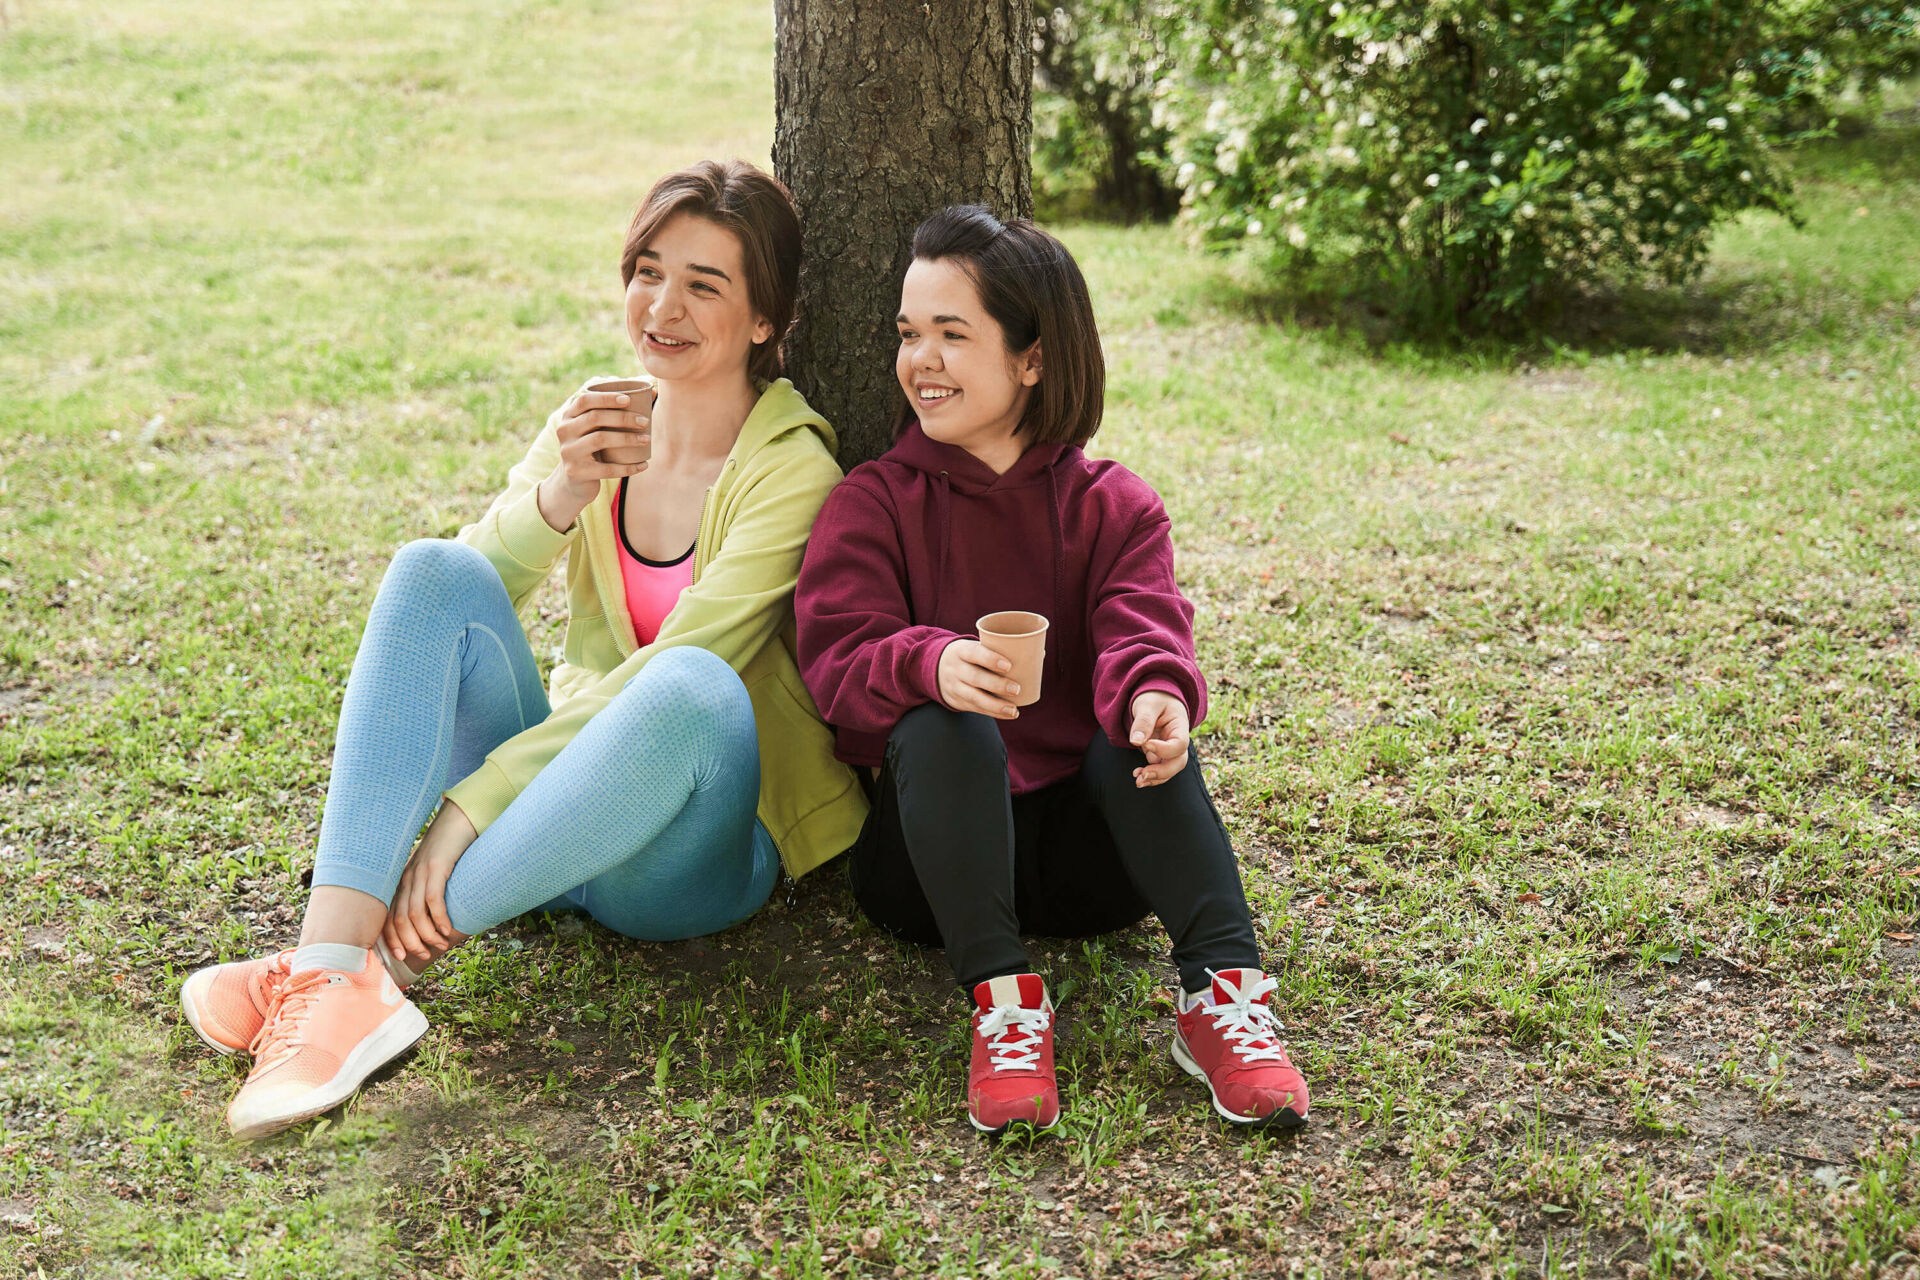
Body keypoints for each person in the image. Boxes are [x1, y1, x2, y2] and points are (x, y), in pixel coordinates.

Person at [178, 160, 867, 1140]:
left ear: (765, 320)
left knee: (690, 683)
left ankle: (372, 971)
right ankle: (332, 970)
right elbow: (464, 600)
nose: (662, 305)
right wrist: (563, 493)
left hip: (683, 843)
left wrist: (471, 803)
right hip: (556, 823)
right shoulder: (596, 419)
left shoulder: (797, 471)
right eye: (647, 270)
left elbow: (676, 672)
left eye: (704, 285)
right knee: (431, 569)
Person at [794, 206, 1310, 1136]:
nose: (923, 360)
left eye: (954, 334)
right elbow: (834, 659)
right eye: (910, 333)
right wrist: (932, 660)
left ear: (1033, 357)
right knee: (941, 715)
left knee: (1134, 734)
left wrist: (1157, 694)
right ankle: (1005, 1007)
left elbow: (1142, 626)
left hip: (1093, 867)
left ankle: (1226, 998)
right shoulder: (871, 501)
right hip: (926, 870)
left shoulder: (1113, 505)